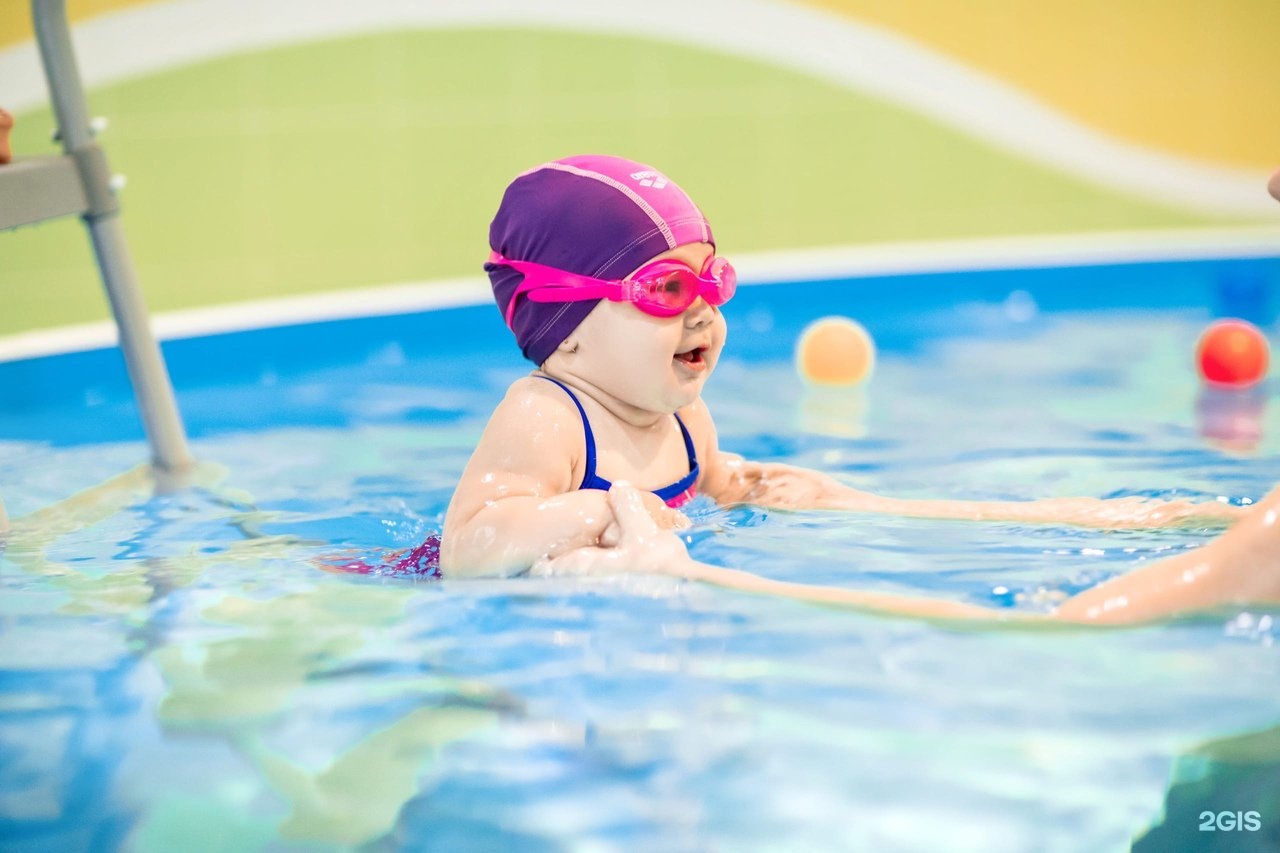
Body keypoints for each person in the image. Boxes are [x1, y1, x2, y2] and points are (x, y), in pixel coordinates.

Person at [440, 154, 1275, 625]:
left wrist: (756, 486)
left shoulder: (679, 409)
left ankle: (1175, 519)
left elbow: (712, 489)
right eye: (665, 291)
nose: (703, 312)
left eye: (714, 280)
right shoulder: (547, 416)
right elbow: (466, 549)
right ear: (567, 324)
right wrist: (591, 510)